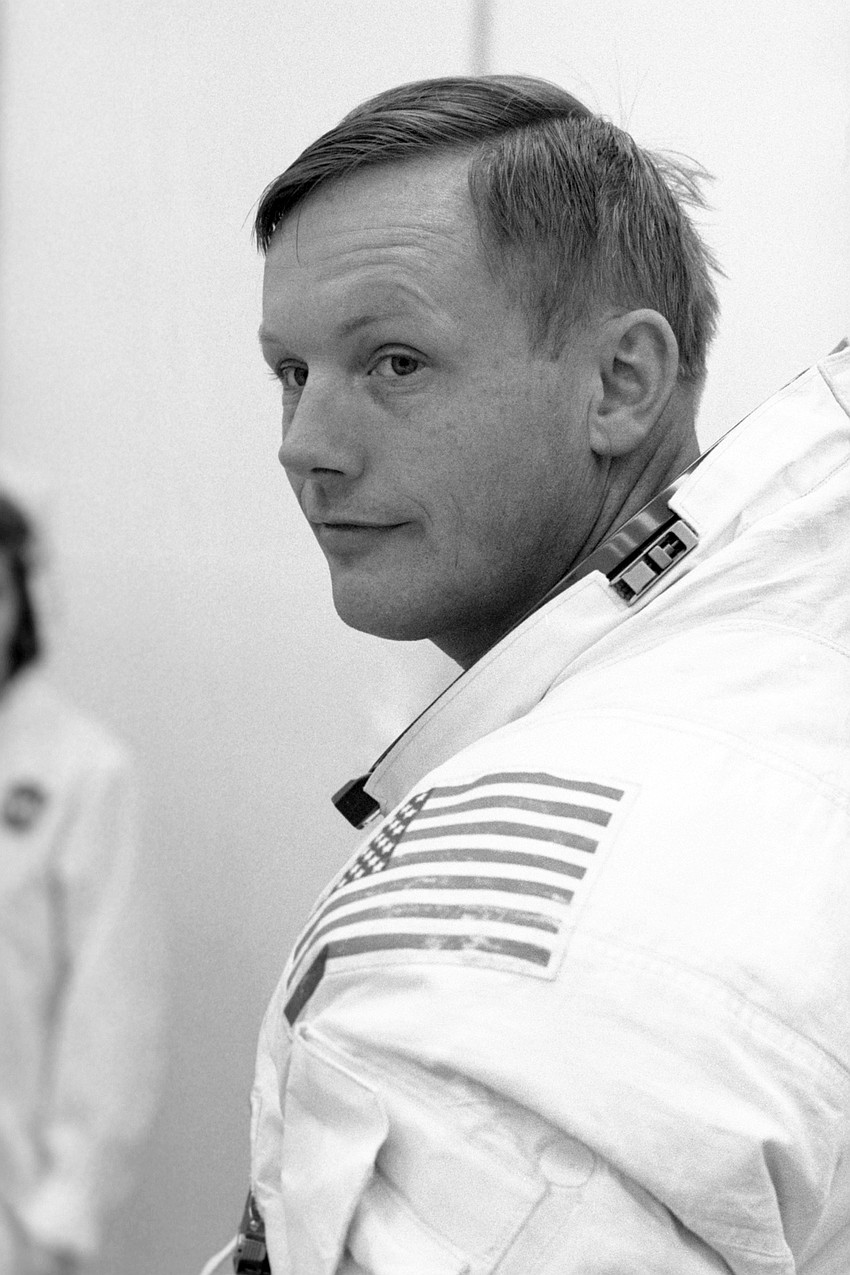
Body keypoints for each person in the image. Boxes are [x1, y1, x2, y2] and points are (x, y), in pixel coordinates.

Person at [247, 74, 850, 1273]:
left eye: (395, 362)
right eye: (291, 372)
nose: (305, 446)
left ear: (619, 384)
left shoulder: (532, 926)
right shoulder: (765, 700)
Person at [0, 485, 162, 1274]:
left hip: (17, 1213)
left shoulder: (82, 771)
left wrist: (65, 1209)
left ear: (21, 600)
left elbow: (112, 1010)